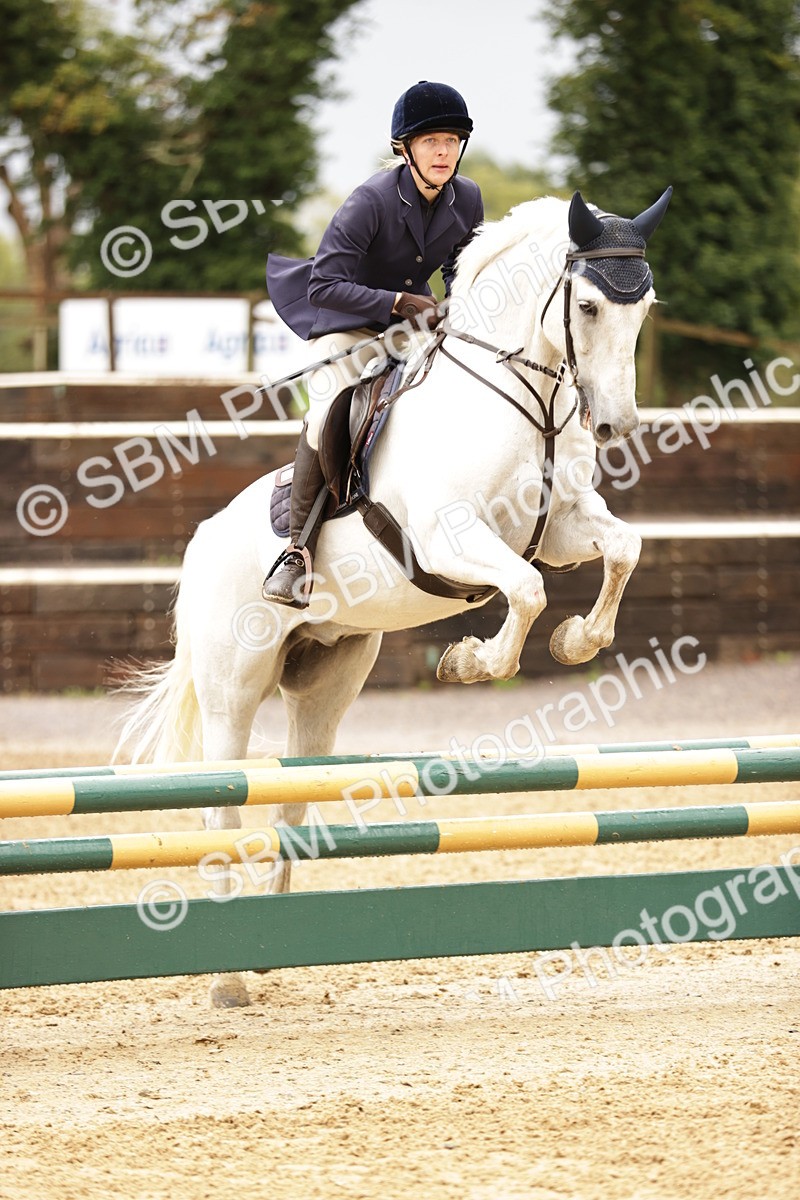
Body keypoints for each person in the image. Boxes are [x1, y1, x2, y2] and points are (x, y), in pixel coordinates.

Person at [262, 80, 484, 607]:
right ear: (404, 148)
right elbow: (324, 284)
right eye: (430, 141)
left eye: (452, 140)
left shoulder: (467, 198)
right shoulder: (370, 200)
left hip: (412, 326)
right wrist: (397, 304)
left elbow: (460, 272)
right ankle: (297, 552)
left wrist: (456, 307)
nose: (443, 151)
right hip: (346, 320)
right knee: (327, 405)